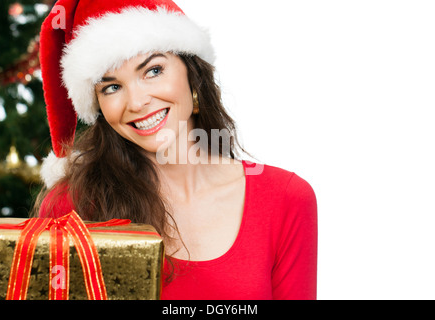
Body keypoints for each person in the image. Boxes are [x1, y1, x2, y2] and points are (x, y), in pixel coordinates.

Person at [35, 0, 318, 300]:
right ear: (99, 107)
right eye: (112, 87)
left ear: (192, 73)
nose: (136, 102)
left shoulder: (286, 200)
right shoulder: (72, 205)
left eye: (153, 70)